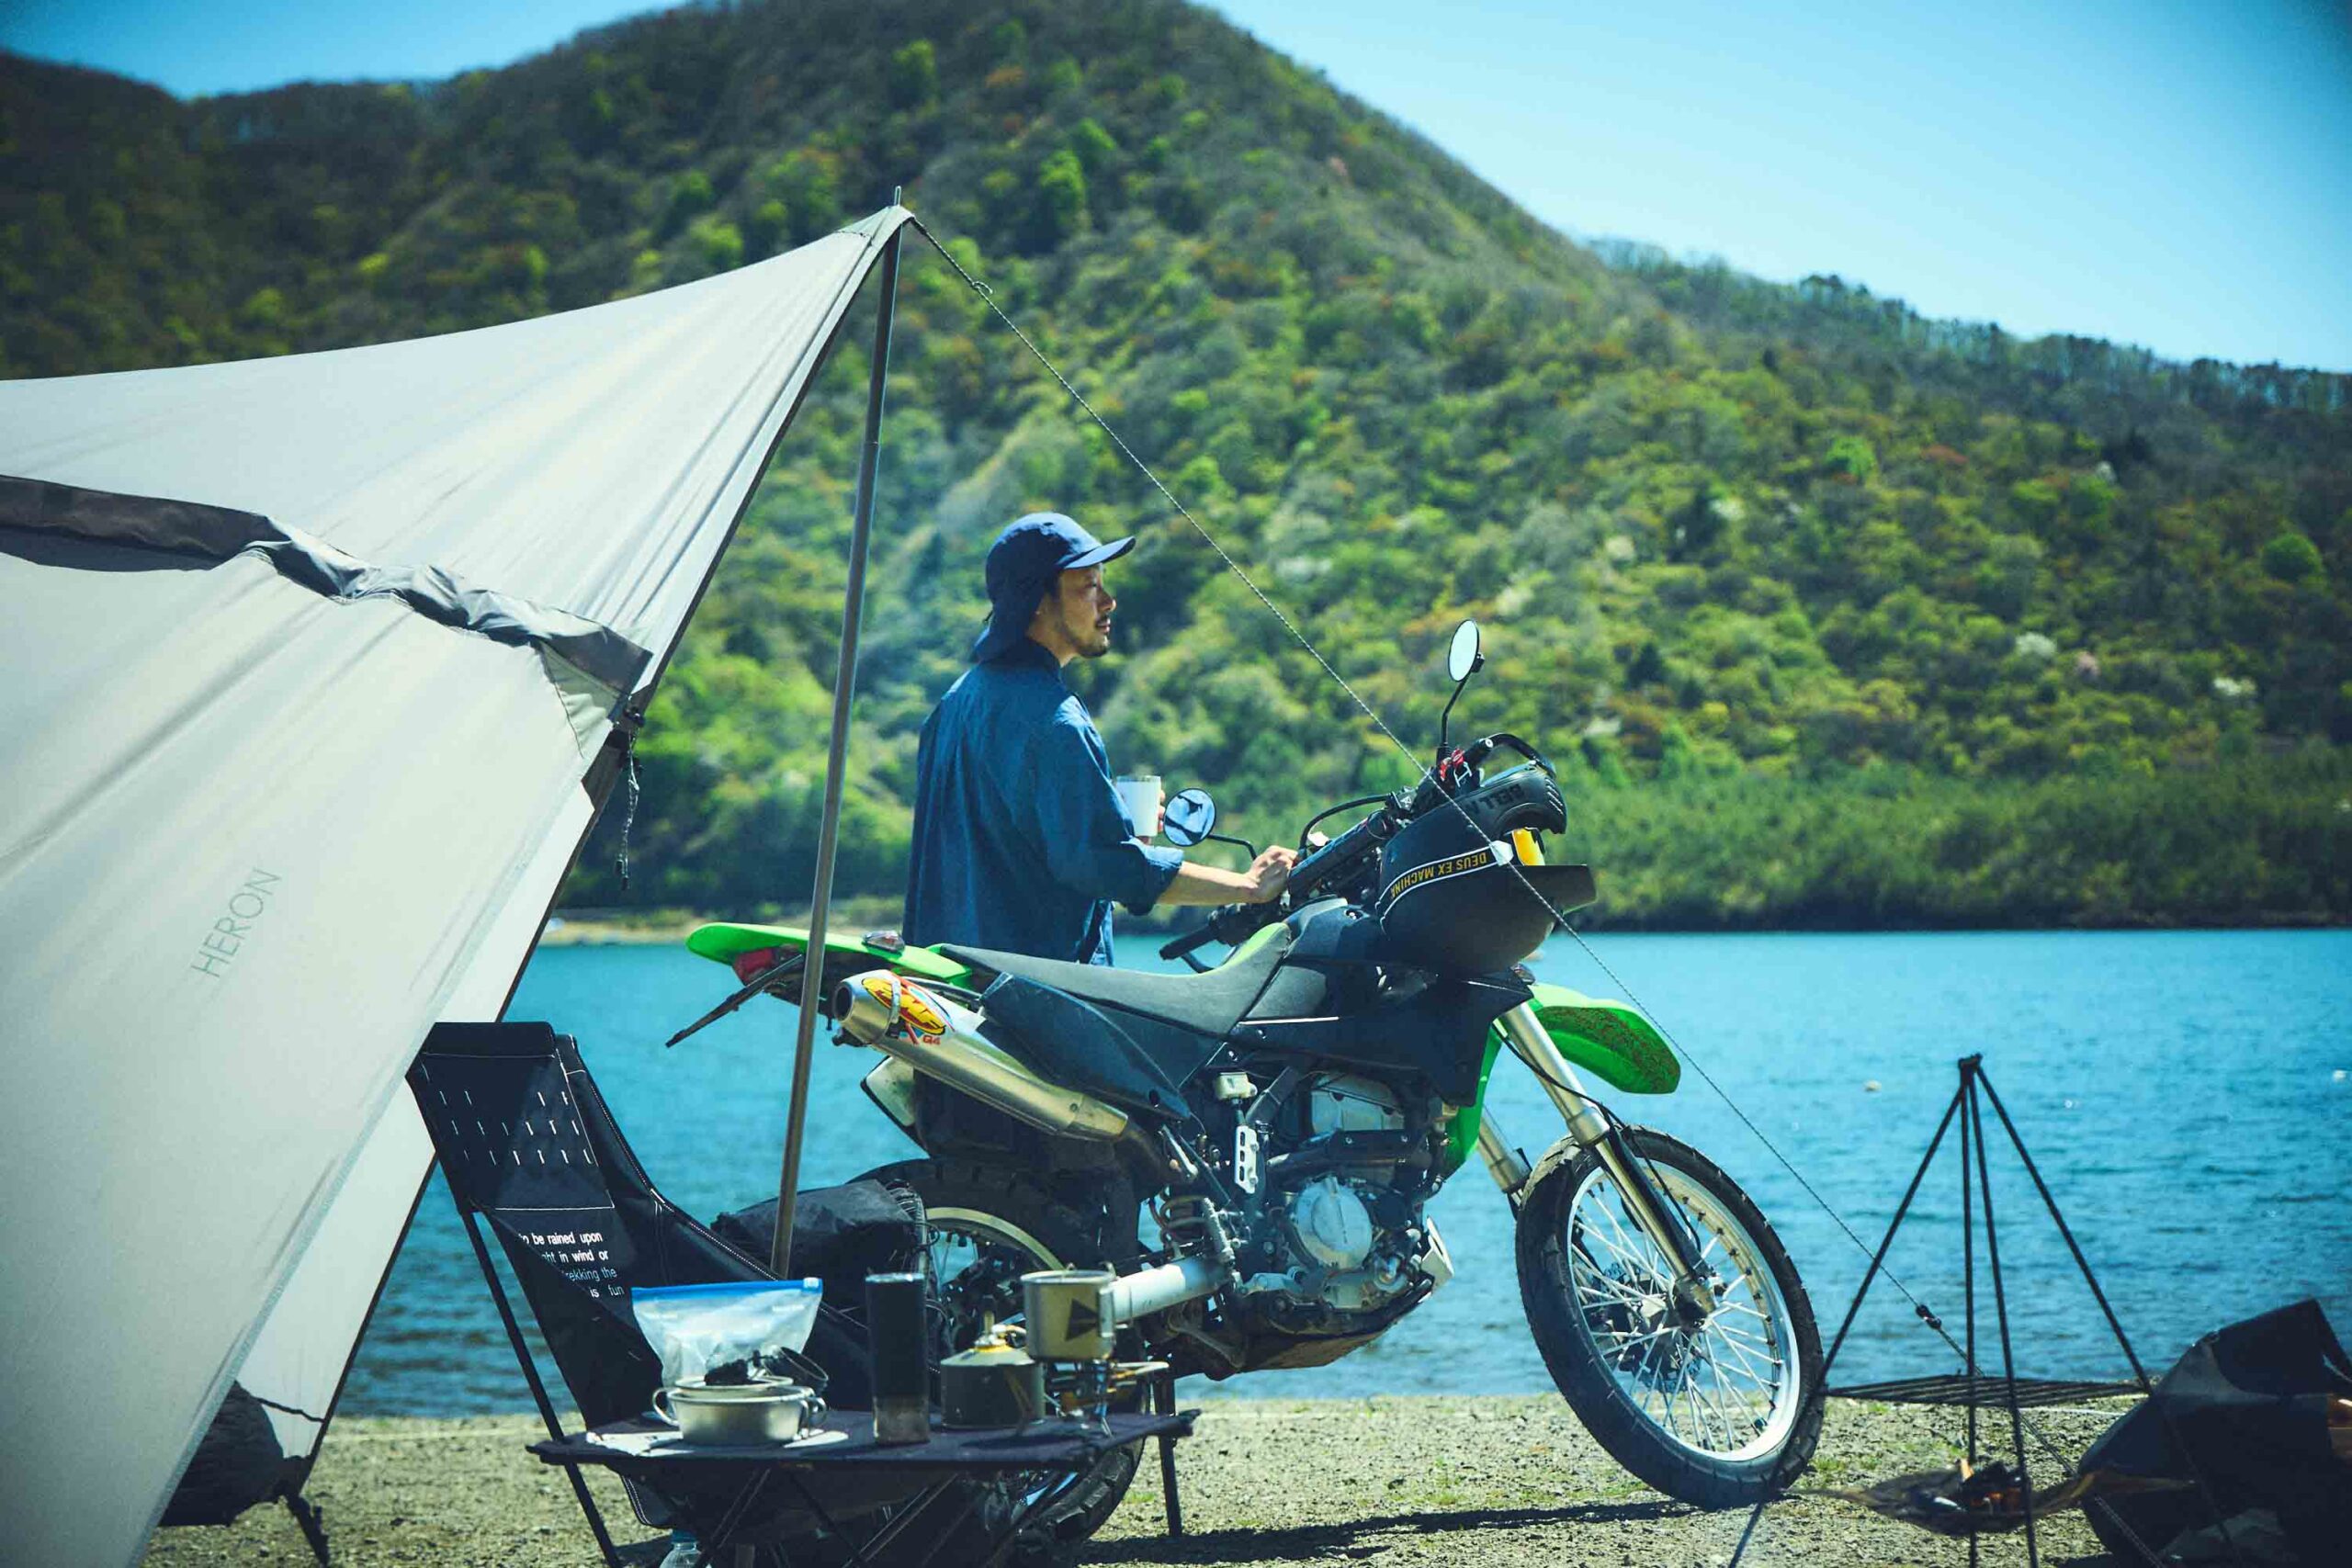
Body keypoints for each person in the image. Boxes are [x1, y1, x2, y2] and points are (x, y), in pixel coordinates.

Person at [902, 512, 1295, 965]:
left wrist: (1109, 821)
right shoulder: (1055, 721)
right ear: (1037, 601)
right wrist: (1249, 887)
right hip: (1032, 994)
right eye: (1089, 586)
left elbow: (1003, 850)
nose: (1108, 602)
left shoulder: (953, 705)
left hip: (944, 986)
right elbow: (1105, 866)